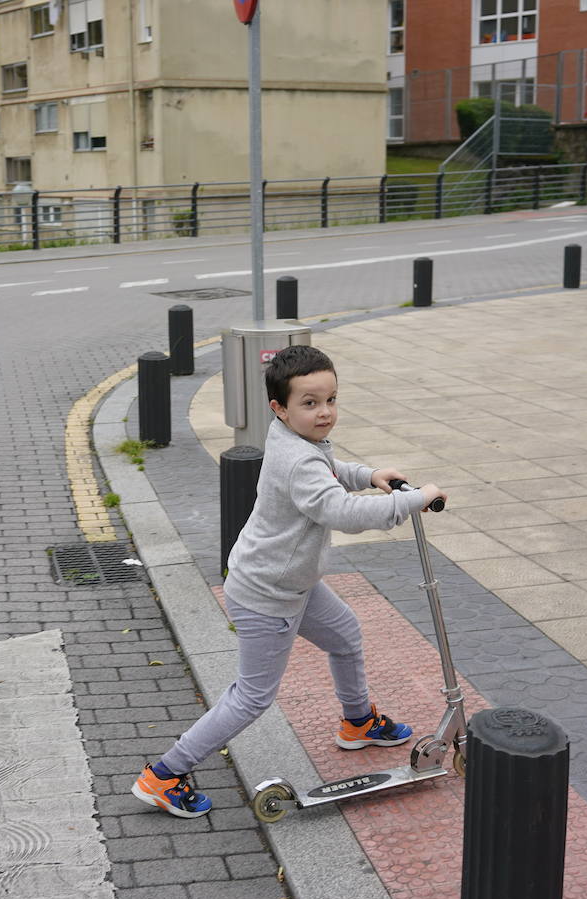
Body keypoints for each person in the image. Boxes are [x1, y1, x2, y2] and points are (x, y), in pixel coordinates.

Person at [133, 344, 447, 817]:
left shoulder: (295, 440)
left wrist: (369, 475)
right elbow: (336, 508)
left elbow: (332, 472)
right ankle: (164, 774)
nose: (324, 413)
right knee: (252, 697)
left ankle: (358, 722)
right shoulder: (297, 458)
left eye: (331, 400)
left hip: (290, 582)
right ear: (279, 408)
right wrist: (411, 500)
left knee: (344, 635)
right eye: (310, 403)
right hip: (268, 594)